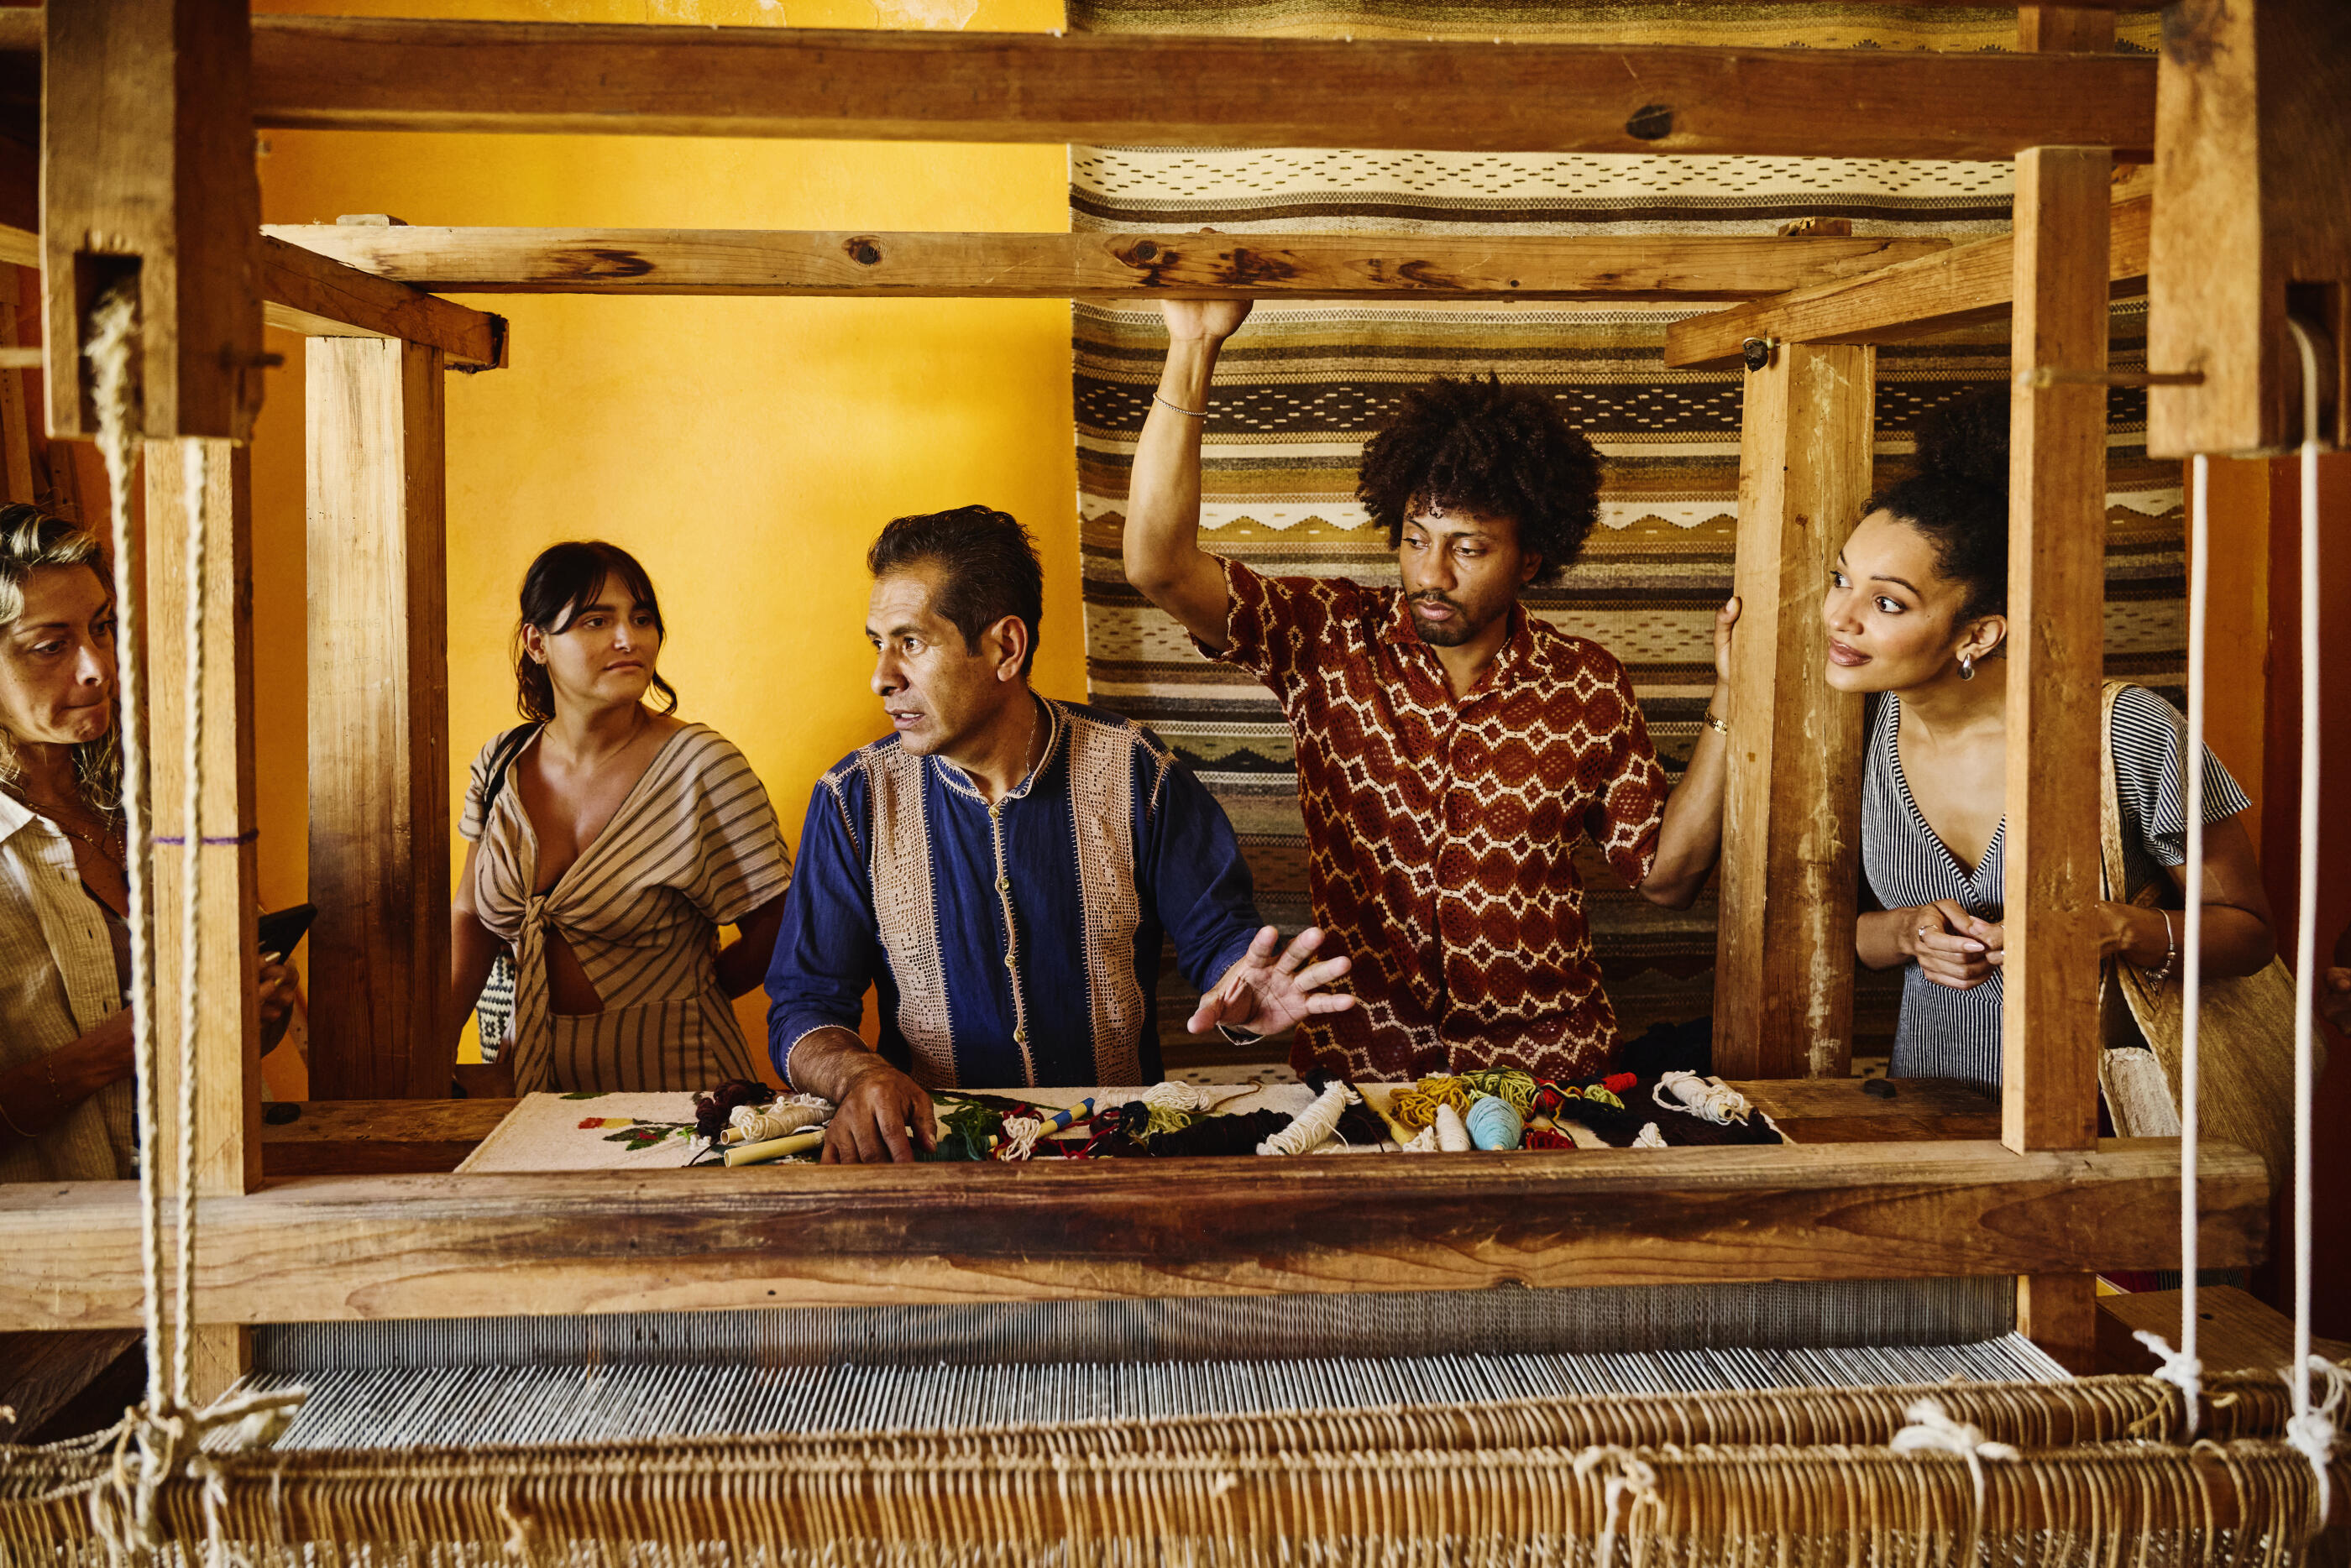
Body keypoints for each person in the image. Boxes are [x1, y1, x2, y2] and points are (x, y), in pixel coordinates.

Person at [1120, 300, 1736, 1085]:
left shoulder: (1588, 683)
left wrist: (1732, 696)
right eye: (1416, 539)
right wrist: (1193, 342)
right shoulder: (1325, 635)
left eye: (1469, 548)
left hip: (1549, 1076)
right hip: (1363, 1076)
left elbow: (1668, 879)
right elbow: (1157, 565)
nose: (1430, 574)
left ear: (1533, 559)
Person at [767, 504, 1356, 1163]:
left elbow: (1218, 940)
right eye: (877, 643)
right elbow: (805, 1003)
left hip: (1118, 1157)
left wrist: (1241, 991)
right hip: (938, 1160)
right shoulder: (855, 800)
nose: (882, 676)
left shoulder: (1138, 773)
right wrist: (857, 1074)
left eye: (911, 642)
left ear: (1005, 648)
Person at [1826, 394, 2276, 1090]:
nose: (1840, 618)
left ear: (1979, 634)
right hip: (1930, 1108)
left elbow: (2249, 934)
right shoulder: (1856, 730)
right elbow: (1837, 936)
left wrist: (2111, 929)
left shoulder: (2126, 732)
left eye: (1887, 602)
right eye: (1840, 580)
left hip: (2113, 1125)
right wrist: (1911, 934)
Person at [0, 505, 296, 1180]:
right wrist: (121, 1046)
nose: (98, 667)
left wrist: (257, 1011)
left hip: (213, 1207)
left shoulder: (156, 805)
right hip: (47, 1259)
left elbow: (229, 1053)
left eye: (102, 628)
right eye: (52, 645)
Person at [452, 541, 792, 1094]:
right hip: (525, 1081)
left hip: (675, 1083)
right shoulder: (500, 764)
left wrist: (686, 996)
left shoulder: (702, 767)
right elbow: (471, 912)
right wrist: (433, 1047)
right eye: (595, 620)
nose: (627, 639)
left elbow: (777, 927)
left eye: (641, 619)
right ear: (538, 642)